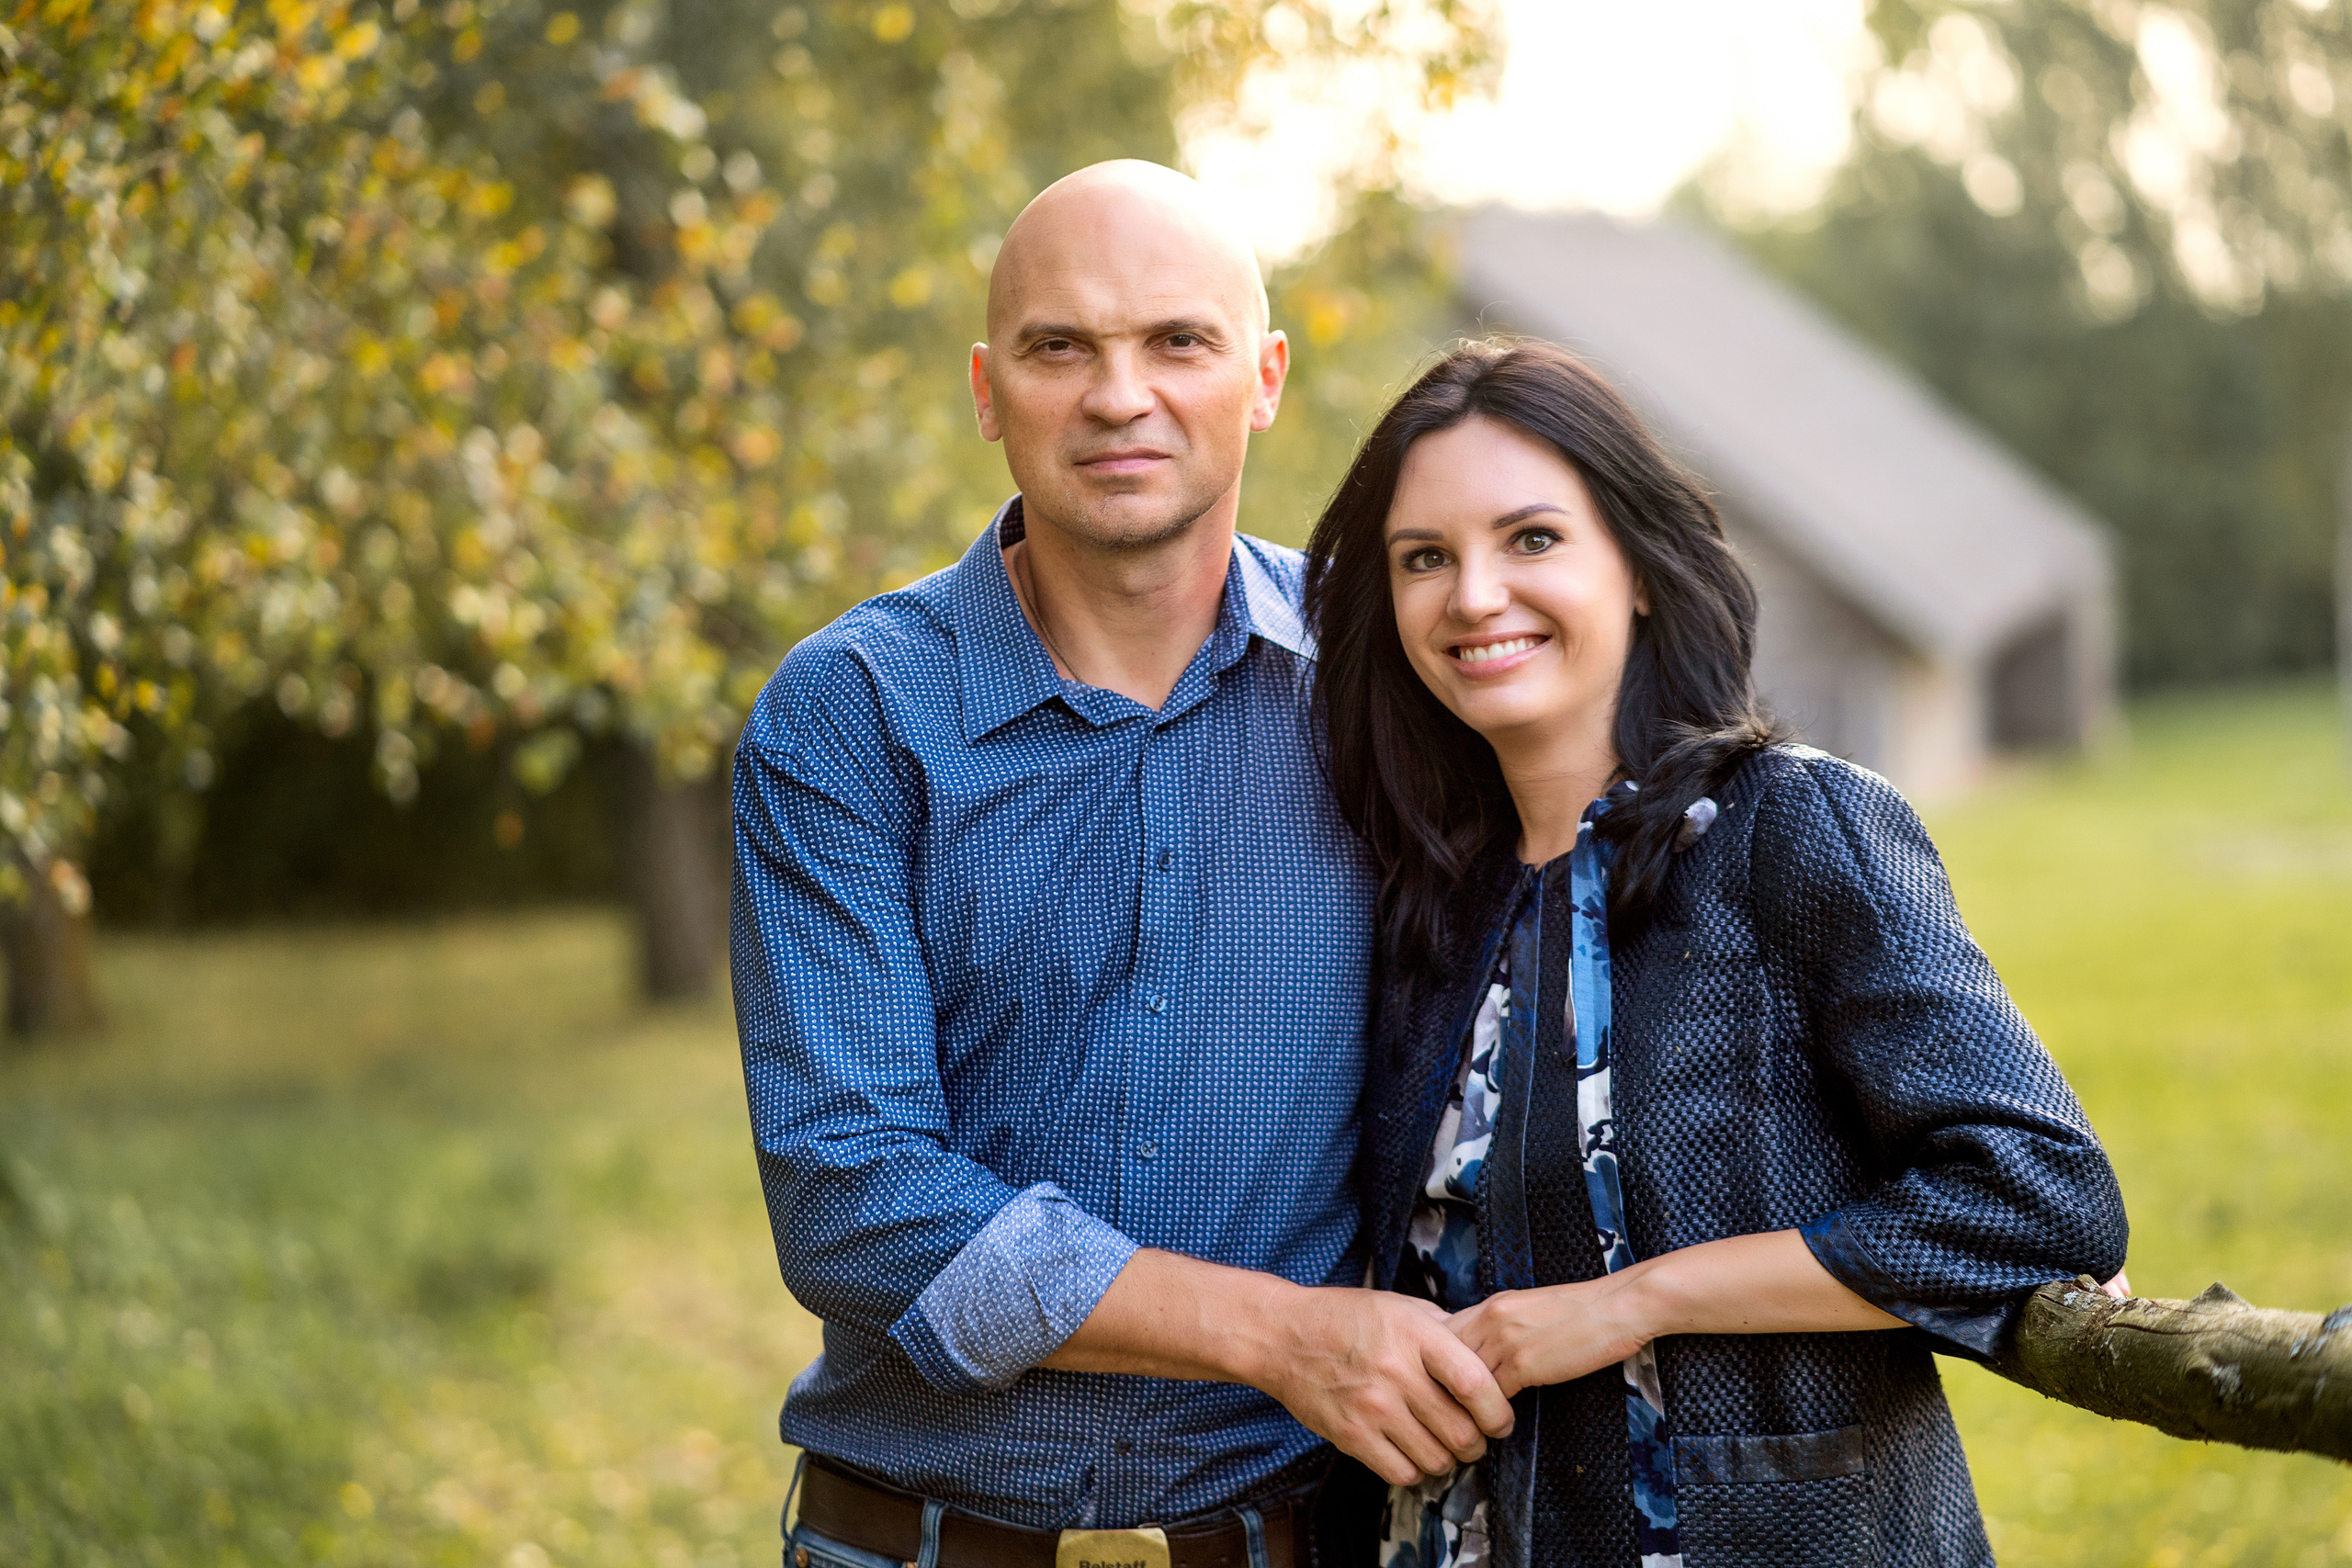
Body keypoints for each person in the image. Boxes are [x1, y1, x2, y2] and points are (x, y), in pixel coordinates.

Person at [729, 162, 1511, 1568]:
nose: (1118, 394)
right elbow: (854, 1198)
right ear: (987, 390)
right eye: (1059, 348)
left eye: (1178, 341)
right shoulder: (849, 713)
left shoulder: (1391, 681)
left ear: (1263, 376)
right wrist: (1280, 1335)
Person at [1302, 340, 2131, 1568]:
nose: (1473, 595)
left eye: (1531, 539)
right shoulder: (1427, 903)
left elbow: (2038, 1199)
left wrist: (1633, 1303)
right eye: (1426, 558)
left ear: (1636, 568)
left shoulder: (1791, 831)